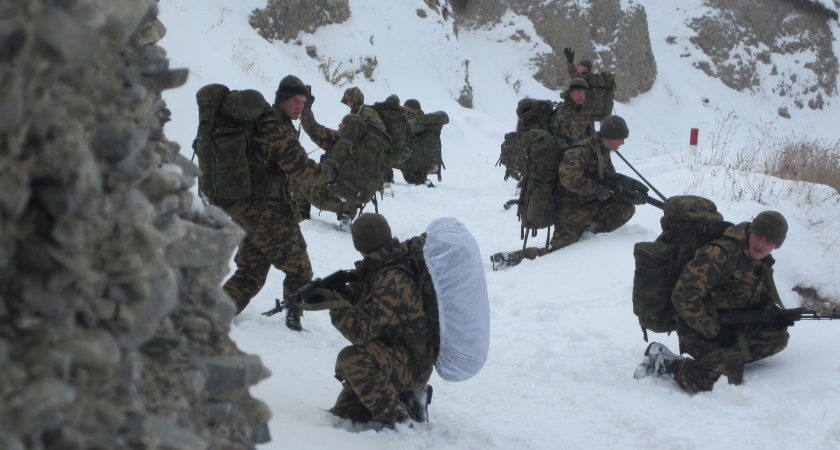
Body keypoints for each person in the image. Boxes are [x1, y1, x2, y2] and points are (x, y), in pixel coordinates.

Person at [222, 75, 337, 331]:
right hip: (269, 214)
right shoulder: (275, 127)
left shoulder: (266, 122)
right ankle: (293, 321)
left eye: (304, 103)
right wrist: (329, 174)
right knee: (300, 270)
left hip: (247, 211)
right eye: (295, 101)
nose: (300, 107)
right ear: (282, 99)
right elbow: (300, 168)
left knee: (250, 272)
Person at [301, 213, 437, 427]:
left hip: (412, 363)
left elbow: (361, 332)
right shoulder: (386, 260)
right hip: (395, 350)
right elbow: (372, 306)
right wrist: (346, 293)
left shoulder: (391, 279)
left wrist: (335, 305)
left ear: (359, 244)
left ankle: (398, 419)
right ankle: (410, 397)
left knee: (353, 359)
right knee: (347, 413)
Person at [635, 211, 792, 393]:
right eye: (758, 236)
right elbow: (683, 294)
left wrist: (772, 315)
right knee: (720, 381)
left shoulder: (761, 263)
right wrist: (715, 332)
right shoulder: (721, 254)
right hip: (696, 328)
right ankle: (663, 361)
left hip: (730, 325)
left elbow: (760, 299)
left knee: (777, 337)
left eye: (769, 240)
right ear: (751, 232)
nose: (760, 244)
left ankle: (725, 358)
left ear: (776, 245)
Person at [491, 115, 638, 270]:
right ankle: (509, 259)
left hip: (590, 206)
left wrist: (625, 192)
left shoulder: (603, 152)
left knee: (625, 208)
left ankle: (589, 234)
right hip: (571, 212)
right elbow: (568, 179)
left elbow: (608, 180)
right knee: (557, 253)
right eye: (621, 138)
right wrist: (597, 190)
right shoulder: (582, 151)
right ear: (611, 136)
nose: (623, 142)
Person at [342, 87, 394, 186]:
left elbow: (379, 130)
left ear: (356, 100)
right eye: (347, 101)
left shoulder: (366, 111)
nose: (348, 104)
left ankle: (383, 178)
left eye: (350, 100)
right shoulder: (358, 112)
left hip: (375, 146)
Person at [551, 77, 595, 145]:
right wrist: (586, 110)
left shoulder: (581, 110)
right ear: (570, 92)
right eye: (579, 92)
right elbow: (572, 133)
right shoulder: (562, 111)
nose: (581, 96)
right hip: (563, 152)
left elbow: (590, 134)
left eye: (584, 93)